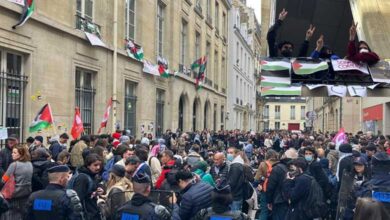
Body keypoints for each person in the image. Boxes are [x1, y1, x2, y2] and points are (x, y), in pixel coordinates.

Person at [0, 145, 33, 220]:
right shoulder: (30, 164)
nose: (12, 154)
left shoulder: (14, 165)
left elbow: (4, 180)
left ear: (21, 154)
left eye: (14, 153)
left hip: (13, 196)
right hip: (26, 194)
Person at [266, 148, 298, 220]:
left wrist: (269, 201)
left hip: (279, 201)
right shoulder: (297, 168)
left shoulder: (277, 168)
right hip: (292, 200)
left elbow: (271, 187)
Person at [70, 153, 104, 220]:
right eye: (95, 165)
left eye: (99, 165)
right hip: (87, 214)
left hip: (92, 212)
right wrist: (92, 194)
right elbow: (77, 198)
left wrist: (100, 189)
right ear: (88, 165)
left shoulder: (93, 174)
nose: (98, 167)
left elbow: (96, 184)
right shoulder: (83, 178)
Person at [254, 149, 279, 220]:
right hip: (276, 191)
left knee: (264, 211)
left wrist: (260, 182)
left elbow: (256, 179)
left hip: (265, 189)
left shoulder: (263, 164)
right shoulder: (279, 164)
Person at [227, 147, 246, 211]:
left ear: (236, 154)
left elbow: (232, 182)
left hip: (235, 196)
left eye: (231, 153)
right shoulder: (237, 163)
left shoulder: (236, 165)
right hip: (237, 194)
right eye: (228, 153)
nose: (229, 154)